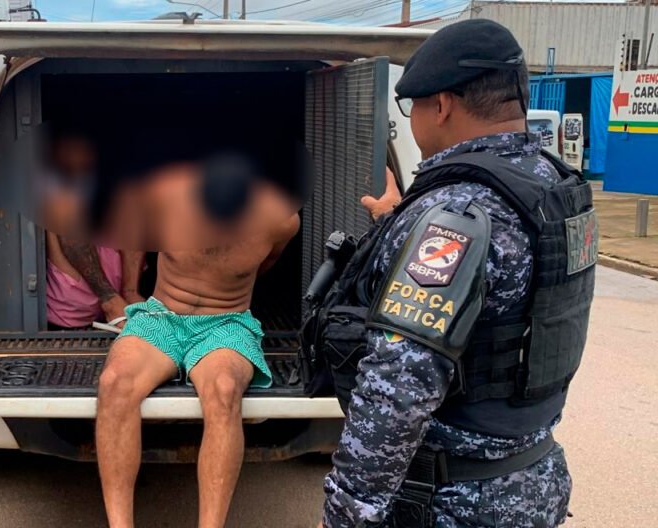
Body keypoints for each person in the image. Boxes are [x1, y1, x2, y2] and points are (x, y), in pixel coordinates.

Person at [315, 19, 596, 527]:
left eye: (414, 107)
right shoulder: (552, 187)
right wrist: (397, 224)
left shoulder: (456, 214)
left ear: (442, 105)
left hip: (455, 502)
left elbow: (398, 389)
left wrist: (347, 511)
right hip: (532, 480)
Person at [95, 154, 300, 528]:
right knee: (114, 382)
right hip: (162, 315)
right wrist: (128, 290)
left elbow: (267, 263)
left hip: (227, 321)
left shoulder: (281, 219)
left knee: (224, 390)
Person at [43, 134, 145, 330]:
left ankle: (122, 296)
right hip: (74, 304)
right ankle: (113, 300)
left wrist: (129, 291)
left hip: (118, 296)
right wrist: (109, 298)